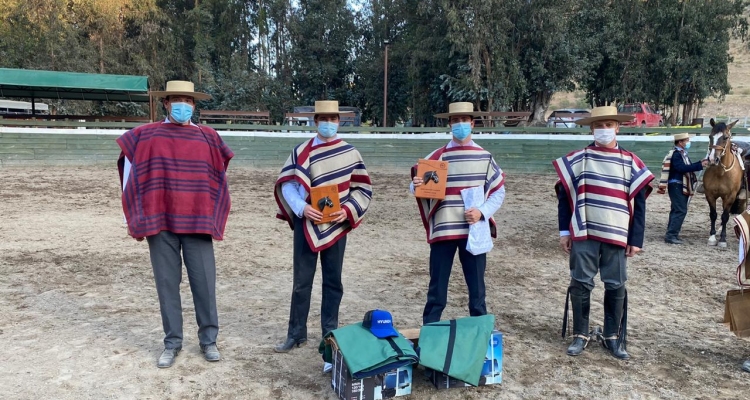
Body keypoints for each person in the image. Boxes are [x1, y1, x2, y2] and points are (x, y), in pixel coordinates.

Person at [116, 80, 234, 368]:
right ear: (166, 103)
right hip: (161, 221)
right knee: (167, 284)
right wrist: (134, 215)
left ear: (194, 105)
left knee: (204, 283)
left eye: (189, 100)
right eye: (177, 100)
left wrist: (211, 211)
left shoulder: (209, 137)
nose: (184, 105)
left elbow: (218, 179)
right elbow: (130, 176)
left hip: (197, 220)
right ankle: (172, 342)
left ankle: (209, 340)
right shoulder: (145, 136)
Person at [273, 100, 372, 359]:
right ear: (316, 121)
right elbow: (288, 185)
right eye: (323, 119)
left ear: (339, 122)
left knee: (333, 281)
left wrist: (348, 210)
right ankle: (296, 333)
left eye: (333, 119)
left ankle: (330, 333)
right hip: (307, 224)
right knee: (301, 283)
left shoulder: (350, 153)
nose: (328, 123)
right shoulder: (302, 152)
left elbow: (361, 189)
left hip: (336, 225)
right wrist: (301, 209)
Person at [553, 106, 654, 360]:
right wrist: (565, 231)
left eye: (608, 124)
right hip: (584, 232)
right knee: (580, 282)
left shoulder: (631, 161)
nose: (604, 130)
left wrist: (636, 239)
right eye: (599, 125)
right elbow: (564, 197)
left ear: (618, 127)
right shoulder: (579, 158)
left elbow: (639, 203)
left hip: (617, 234)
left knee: (616, 283)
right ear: (591, 128)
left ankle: (612, 336)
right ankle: (580, 334)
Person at [411, 101, 506, 325]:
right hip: (444, 231)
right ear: (449, 124)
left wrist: (482, 212)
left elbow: (498, 192)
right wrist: (414, 185)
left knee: (477, 292)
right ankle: (430, 334)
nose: (460, 124)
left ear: (472, 123)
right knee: (437, 291)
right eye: (455, 120)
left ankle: (480, 337)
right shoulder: (436, 157)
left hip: (473, 231)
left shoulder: (484, 157)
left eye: (464, 120)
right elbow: (419, 188)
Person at [658, 133, 708, 244]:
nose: (688, 143)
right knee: (680, 210)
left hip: (677, 185)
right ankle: (671, 235)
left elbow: (685, 167)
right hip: (677, 185)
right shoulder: (677, 155)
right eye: (686, 140)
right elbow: (682, 168)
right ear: (680, 142)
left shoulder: (680, 154)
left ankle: (671, 233)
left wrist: (700, 163)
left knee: (676, 209)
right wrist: (699, 165)